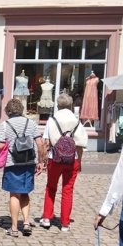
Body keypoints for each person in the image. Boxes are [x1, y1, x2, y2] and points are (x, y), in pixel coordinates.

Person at [39, 93, 88, 232]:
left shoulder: (52, 120)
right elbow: (80, 144)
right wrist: (80, 161)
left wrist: (42, 161)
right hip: (73, 159)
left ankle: (47, 218)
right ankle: (65, 223)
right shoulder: (76, 121)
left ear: (58, 105)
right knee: (68, 190)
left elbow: (46, 142)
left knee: (51, 187)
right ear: (71, 105)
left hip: (54, 158)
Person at [0, 98, 45, 237]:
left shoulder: (5, 125)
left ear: (8, 111)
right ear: (21, 110)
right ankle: (27, 222)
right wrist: (41, 161)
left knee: (14, 194)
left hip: (13, 163)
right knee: (25, 192)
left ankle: (14, 228)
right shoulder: (31, 123)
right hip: (29, 162)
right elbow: (40, 144)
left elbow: (0, 145)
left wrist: (6, 144)